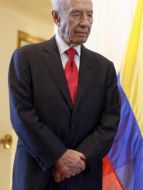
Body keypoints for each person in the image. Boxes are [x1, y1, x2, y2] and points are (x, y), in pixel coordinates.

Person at [8, 0, 120, 189]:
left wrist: (78, 160)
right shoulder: (26, 58)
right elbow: (22, 116)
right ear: (56, 17)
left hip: (83, 177)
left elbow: (109, 122)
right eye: (77, 14)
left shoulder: (105, 68)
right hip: (37, 176)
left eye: (90, 15)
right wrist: (59, 155)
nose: (85, 22)